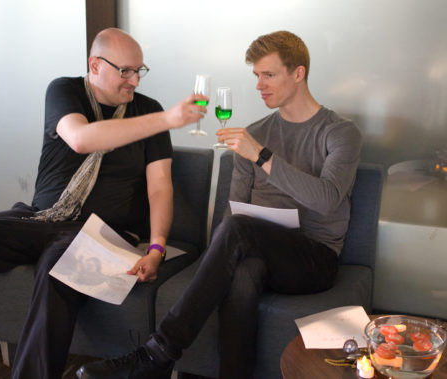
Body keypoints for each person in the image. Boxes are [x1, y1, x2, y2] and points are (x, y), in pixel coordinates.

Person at [77, 30, 362, 379]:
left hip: (314, 258)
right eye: (256, 75)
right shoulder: (255, 132)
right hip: (259, 251)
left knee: (241, 232)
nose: (259, 85)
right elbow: (235, 214)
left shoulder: (339, 132)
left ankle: (158, 353)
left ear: (298, 73)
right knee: (244, 272)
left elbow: (329, 199)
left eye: (268, 75)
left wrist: (262, 156)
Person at [0, 28, 208, 378]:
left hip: (105, 233)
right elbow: (80, 139)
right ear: (95, 65)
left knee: (59, 266)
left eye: (139, 71)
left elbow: (159, 188)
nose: (134, 80)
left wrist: (156, 248)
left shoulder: (147, 110)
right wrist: (168, 120)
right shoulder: (65, 91)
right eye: (125, 71)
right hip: (42, 219)